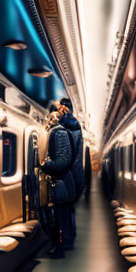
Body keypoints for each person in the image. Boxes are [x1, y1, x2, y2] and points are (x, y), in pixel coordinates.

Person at [40, 104, 76, 257]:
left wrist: (45, 165)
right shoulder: (56, 132)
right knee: (60, 217)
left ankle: (60, 247)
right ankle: (60, 244)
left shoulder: (59, 133)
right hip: (61, 182)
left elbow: (63, 161)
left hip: (61, 183)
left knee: (60, 218)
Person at [57, 97, 84, 250]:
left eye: (60, 107)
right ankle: (69, 239)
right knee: (70, 211)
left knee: (64, 212)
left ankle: (66, 241)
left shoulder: (65, 128)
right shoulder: (76, 127)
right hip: (75, 176)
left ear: (64, 108)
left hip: (67, 177)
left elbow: (63, 158)